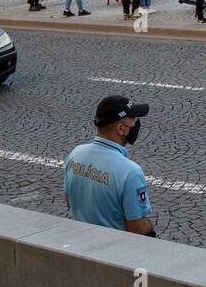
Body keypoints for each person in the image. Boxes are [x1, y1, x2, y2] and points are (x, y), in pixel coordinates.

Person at [63, 96, 155, 235]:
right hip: (114, 250)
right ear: (120, 128)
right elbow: (137, 228)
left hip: (81, 242)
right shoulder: (130, 172)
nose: (136, 124)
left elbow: (69, 201)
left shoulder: (75, 154)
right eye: (133, 120)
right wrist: (149, 225)